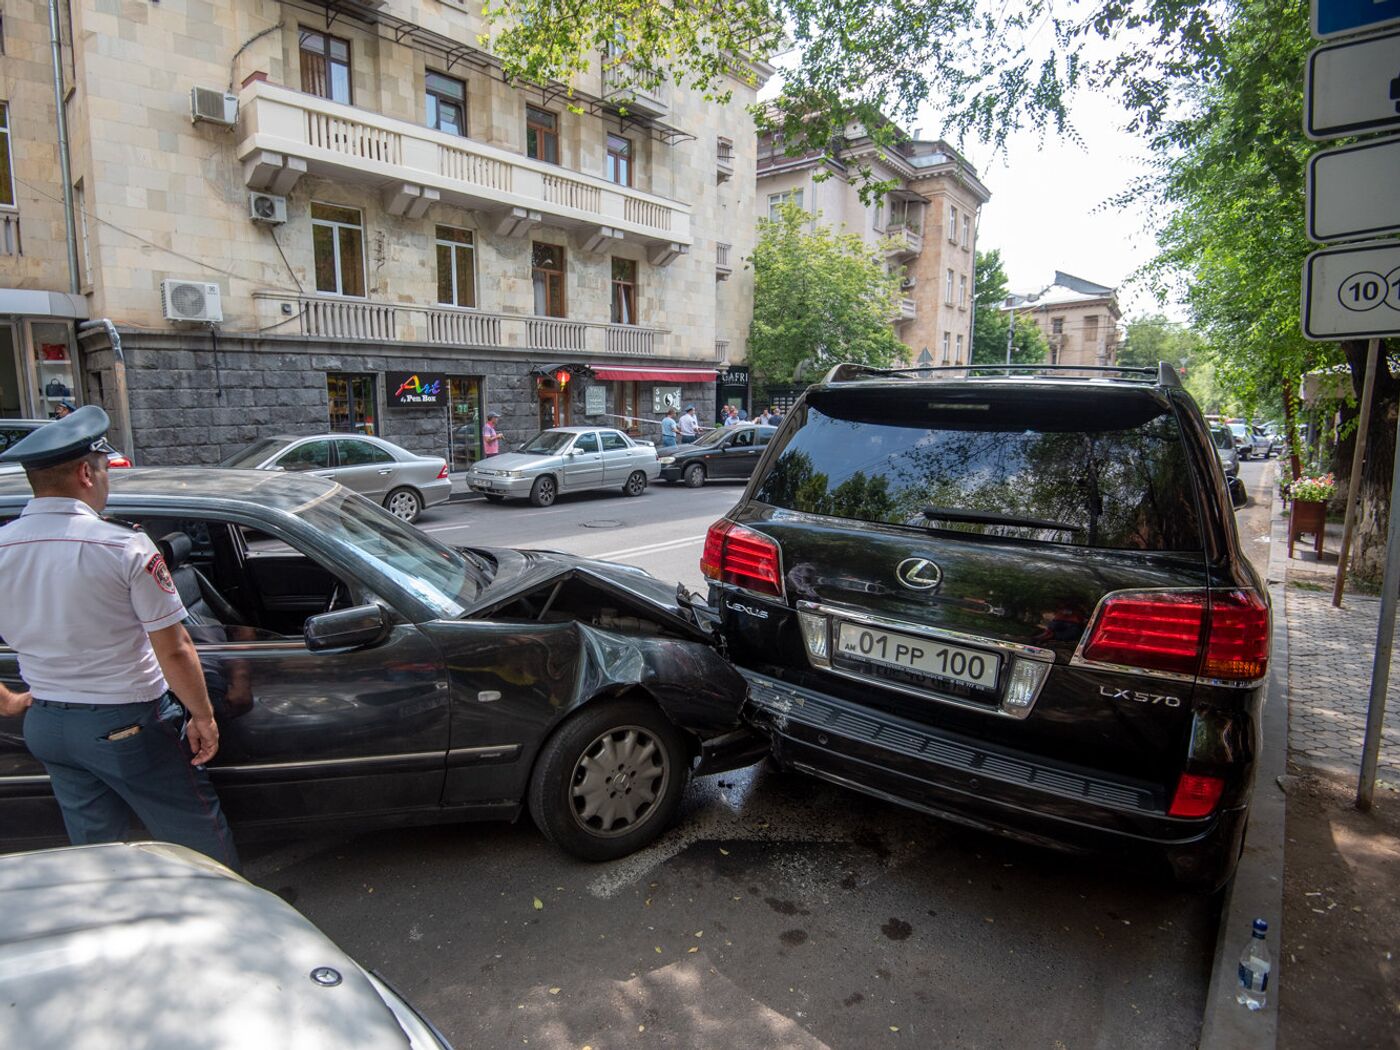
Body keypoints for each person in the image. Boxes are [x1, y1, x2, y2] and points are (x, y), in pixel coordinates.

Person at [0, 406, 238, 870]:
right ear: (85, 473)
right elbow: (173, 646)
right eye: (106, 470)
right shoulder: (122, 546)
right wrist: (203, 716)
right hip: (126, 723)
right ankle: (238, 924)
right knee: (193, 833)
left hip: (45, 724)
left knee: (96, 850)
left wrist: (7, 701)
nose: (109, 481)